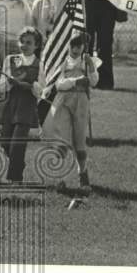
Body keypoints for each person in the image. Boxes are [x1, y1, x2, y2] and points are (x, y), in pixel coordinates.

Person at [43, 31, 99, 190]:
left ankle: (83, 174)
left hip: (81, 104)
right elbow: (58, 84)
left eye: (79, 46)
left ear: (84, 46)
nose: (75, 49)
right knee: (63, 140)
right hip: (63, 103)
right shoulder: (63, 62)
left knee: (79, 141)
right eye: (72, 46)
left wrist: (91, 67)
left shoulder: (87, 62)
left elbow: (94, 82)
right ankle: (59, 177)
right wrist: (75, 81)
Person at [0, 26, 44, 183]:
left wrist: (30, 86)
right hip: (10, 106)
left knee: (17, 143)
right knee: (5, 143)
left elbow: (41, 90)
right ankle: (18, 164)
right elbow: (0, 86)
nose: (24, 45)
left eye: (29, 42)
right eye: (22, 42)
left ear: (36, 45)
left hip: (26, 107)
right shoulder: (11, 59)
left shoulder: (39, 64)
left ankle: (14, 178)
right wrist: (9, 82)